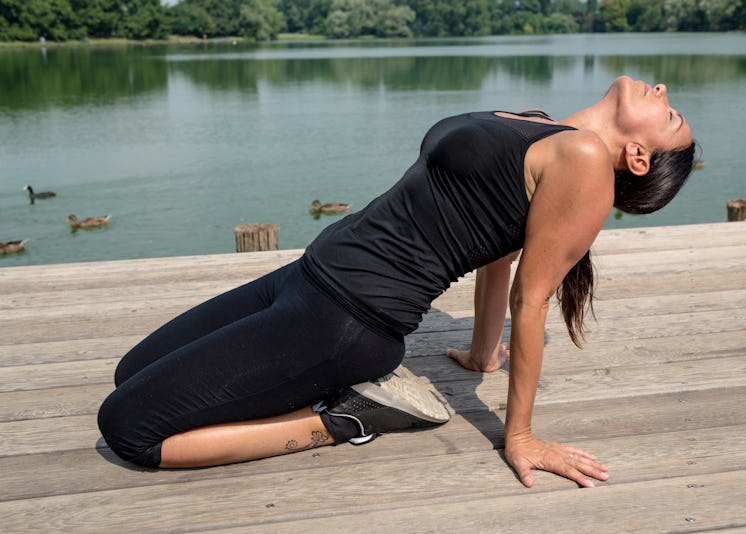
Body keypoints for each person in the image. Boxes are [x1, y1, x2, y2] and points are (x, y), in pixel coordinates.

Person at [98, 75, 696, 489]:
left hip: (347, 320)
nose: (662, 92)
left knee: (129, 430)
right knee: (133, 372)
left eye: (668, 116)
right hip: (306, 278)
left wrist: (522, 435)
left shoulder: (585, 160)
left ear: (638, 158)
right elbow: (498, 257)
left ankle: (346, 419)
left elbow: (531, 296)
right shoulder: (539, 127)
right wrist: (484, 353)